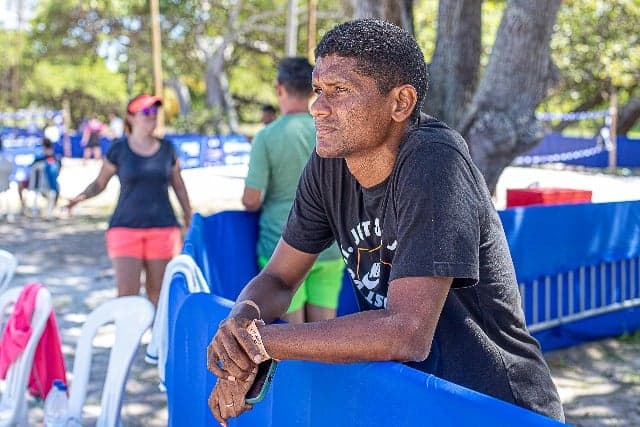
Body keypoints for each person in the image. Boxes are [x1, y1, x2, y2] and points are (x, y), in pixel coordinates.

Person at [206, 19, 564, 425]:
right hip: (412, 401)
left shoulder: (435, 160)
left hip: (493, 406)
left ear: (400, 103)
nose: (319, 107)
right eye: (319, 90)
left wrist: (260, 344)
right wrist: (239, 322)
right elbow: (279, 279)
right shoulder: (329, 164)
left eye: (340, 91)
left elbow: (406, 331)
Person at [242, 57, 344, 324]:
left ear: (279, 89)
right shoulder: (333, 131)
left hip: (282, 249)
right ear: (313, 89)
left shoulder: (267, 136)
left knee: (294, 339)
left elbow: (251, 200)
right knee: (325, 338)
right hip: (332, 246)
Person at [68, 94, 192, 306]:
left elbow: (178, 185)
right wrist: (80, 197)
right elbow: (100, 183)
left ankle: (157, 340)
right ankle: (129, 340)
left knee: (159, 295)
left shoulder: (167, 149)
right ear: (130, 117)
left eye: (155, 113)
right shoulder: (119, 149)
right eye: (145, 112)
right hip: (125, 229)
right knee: (127, 297)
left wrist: (189, 216)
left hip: (163, 228)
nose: (151, 117)